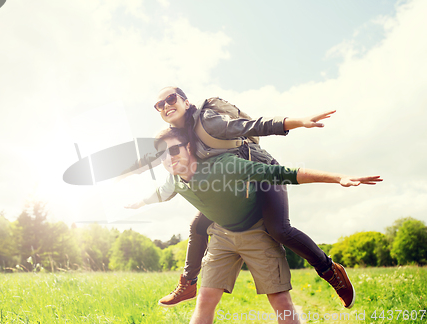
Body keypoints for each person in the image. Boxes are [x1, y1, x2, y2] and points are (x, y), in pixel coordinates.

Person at [128, 86, 357, 309]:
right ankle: (188, 285)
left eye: (171, 99)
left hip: (260, 171)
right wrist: (137, 196)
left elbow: (252, 126)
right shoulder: (175, 138)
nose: (166, 105)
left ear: (185, 102)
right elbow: (161, 172)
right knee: (197, 226)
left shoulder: (207, 122)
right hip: (232, 179)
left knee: (279, 230)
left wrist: (297, 122)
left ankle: (330, 271)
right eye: (160, 104)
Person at [126, 127, 382, 324]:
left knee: (280, 300)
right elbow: (157, 194)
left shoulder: (223, 166)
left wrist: (338, 178)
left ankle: (330, 270)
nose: (169, 159)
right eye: (162, 155)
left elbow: (283, 174)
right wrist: (136, 203)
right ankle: (187, 283)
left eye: (174, 150)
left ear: (189, 147)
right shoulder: (173, 181)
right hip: (222, 236)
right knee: (205, 300)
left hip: (258, 229)